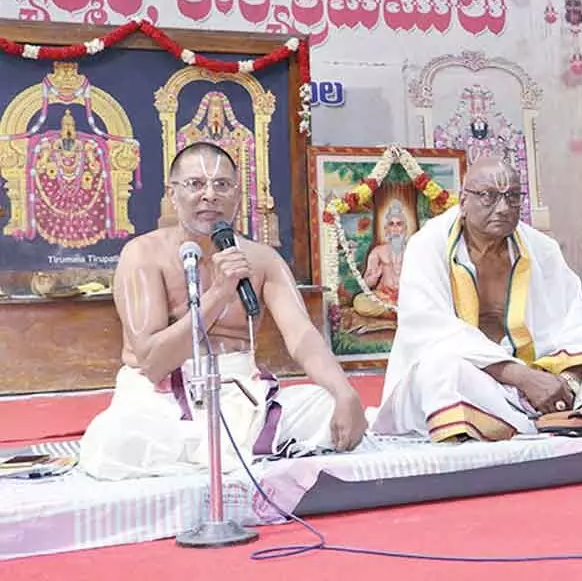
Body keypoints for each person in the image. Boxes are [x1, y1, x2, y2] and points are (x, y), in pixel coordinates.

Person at [79, 142, 367, 480]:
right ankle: (233, 457)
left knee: (328, 409)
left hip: (238, 391)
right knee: (113, 442)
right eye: (196, 184)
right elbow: (153, 361)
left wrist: (344, 391)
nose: (210, 195)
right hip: (160, 400)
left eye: (222, 185)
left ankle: (214, 457)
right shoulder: (143, 255)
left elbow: (302, 335)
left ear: (237, 196)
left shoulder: (261, 259)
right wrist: (217, 294)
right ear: (173, 194)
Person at [371, 157, 582, 442]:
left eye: (512, 197)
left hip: (542, 376)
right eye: (488, 196)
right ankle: (552, 419)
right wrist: (523, 379)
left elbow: (576, 325)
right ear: (463, 200)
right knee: (439, 370)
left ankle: (552, 413)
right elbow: (430, 330)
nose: (503, 208)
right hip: (480, 383)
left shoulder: (541, 249)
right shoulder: (428, 245)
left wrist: (564, 381)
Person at [352, 200, 408, 318]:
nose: (395, 228)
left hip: (407, 297)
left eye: (399, 224)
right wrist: (374, 277)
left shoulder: (413, 251)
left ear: (405, 229)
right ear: (386, 229)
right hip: (382, 297)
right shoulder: (378, 251)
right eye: (391, 224)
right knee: (359, 302)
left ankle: (398, 310)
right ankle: (398, 312)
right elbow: (366, 283)